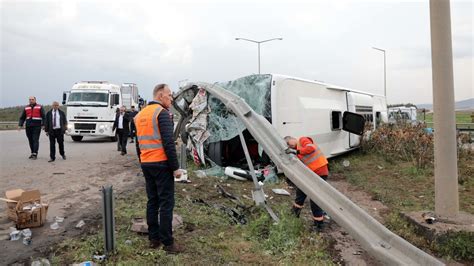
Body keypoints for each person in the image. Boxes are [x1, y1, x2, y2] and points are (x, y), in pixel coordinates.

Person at [134, 84, 183, 253]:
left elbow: (138, 144)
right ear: (160, 95)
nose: (171, 98)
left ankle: (153, 239)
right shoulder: (162, 114)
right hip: (162, 164)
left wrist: (142, 162)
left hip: (147, 164)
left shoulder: (140, 115)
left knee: (152, 201)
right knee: (166, 204)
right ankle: (168, 243)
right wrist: (176, 168)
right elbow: (169, 143)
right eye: (169, 95)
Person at [284, 136, 329, 232]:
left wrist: (296, 152)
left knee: (315, 199)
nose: (290, 145)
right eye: (288, 145)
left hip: (320, 172)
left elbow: (311, 148)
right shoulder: (295, 150)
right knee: (300, 192)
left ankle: (319, 224)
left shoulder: (302, 140)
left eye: (289, 143)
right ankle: (294, 213)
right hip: (310, 174)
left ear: (292, 138)